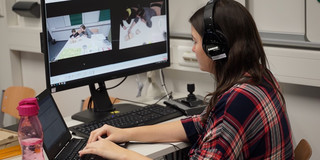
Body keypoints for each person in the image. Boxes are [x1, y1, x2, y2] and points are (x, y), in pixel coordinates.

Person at [79, 0, 294, 159]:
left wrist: (117, 153)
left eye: (195, 41)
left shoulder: (238, 99)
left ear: (215, 47)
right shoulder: (258, 75)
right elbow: (200, 124)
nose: (193, 49)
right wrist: (124, 133)